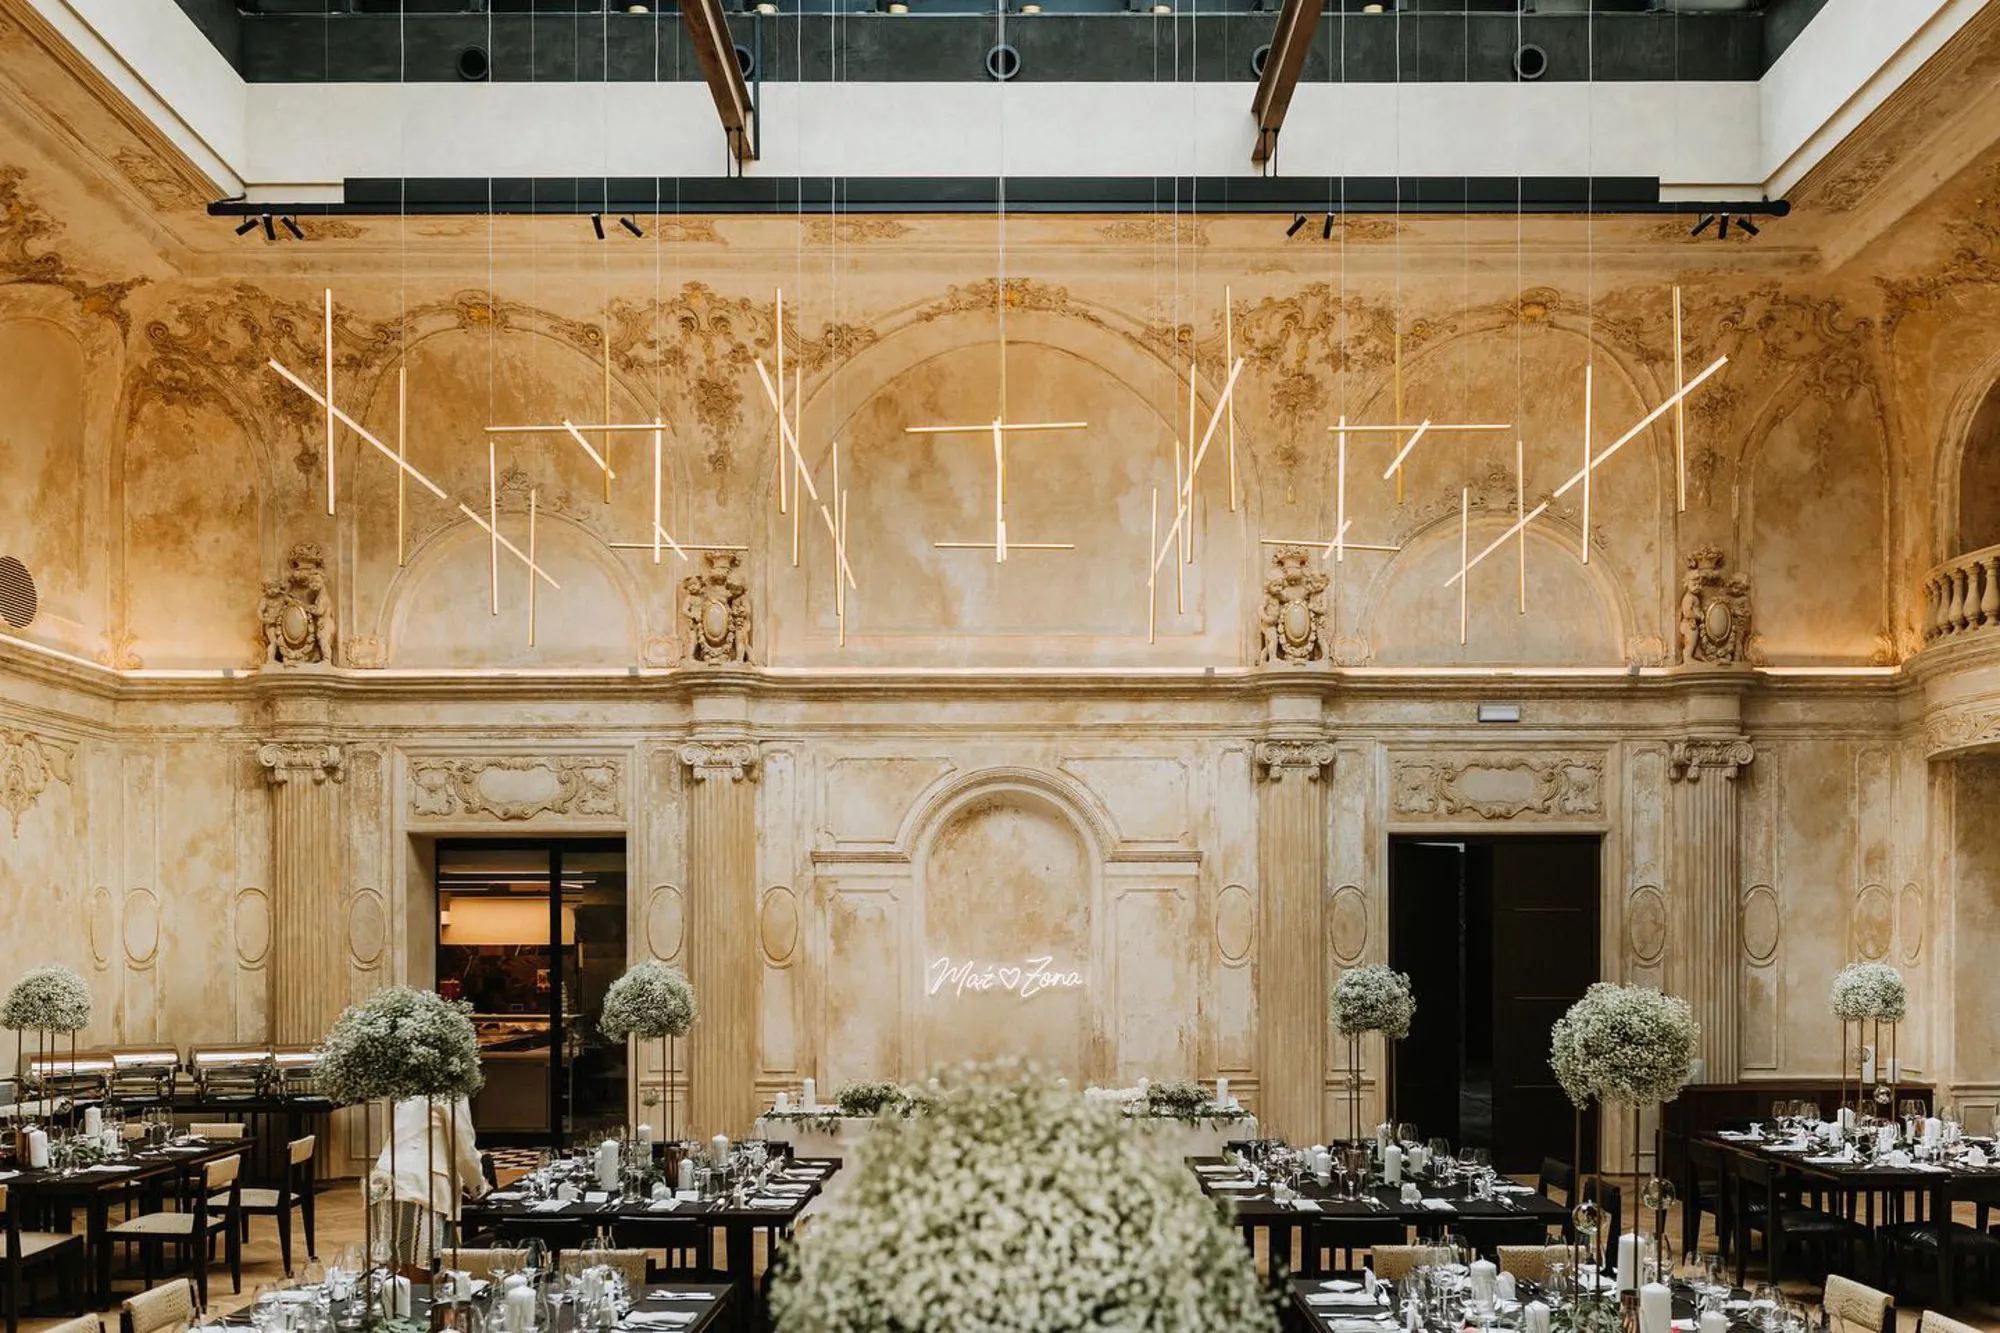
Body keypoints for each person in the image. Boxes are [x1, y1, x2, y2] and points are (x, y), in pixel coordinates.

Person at [369, 1095, 485, 1267]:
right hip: (421, 1184)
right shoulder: (452, 1090)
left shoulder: (409, 1089)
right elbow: (464, 1150)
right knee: (420, 1268)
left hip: (383, 1178)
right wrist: (478, 1187)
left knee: (390, 1267)